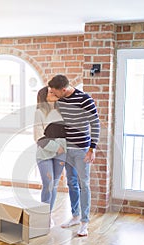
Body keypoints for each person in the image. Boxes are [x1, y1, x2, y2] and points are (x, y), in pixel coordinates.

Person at [48, 74, 100, 236]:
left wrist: (92, 149)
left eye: (56, 92)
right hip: (66, 149)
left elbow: (95, 124)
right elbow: (47, 99)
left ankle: (84, 222)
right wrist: (51, 94)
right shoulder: (60, 99)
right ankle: (75, 216)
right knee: (71, 183)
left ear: (64, 89)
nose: (54, 95)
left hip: (82, 150)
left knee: (84, 184)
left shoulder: (85, 99)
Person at [34, 86, 67, 227]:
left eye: (54, 90)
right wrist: (56, 147)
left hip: (61, 154)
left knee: (53, 185)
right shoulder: (39, 112)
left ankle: (48, 215)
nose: (53, 92)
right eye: (50, 91)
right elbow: (38, 136)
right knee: (48, 184)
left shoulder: (63, 111)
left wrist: (63, 148)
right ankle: (43, 216)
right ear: (44, 96)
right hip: (45, 154)